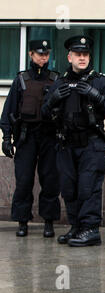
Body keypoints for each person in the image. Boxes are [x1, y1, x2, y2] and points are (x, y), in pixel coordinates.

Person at [41, 35, 105, 247]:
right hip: (66, 144)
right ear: (69, 57)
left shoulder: (100, 81)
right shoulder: (60, 82)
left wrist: (97, 95)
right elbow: (44, 114)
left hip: (91, 144)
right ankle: (77, 227)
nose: (82, 58)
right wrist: (53, 99)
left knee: (89, 188)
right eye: (78, 54)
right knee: (69, 188)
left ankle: (91, 229)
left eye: (85, 54)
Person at [1, 39, 60, 238]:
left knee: (50, 180)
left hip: (49, 136)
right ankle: (22, 221)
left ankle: (49, 221)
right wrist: (7, 138)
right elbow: (8, 110)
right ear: (30, 55)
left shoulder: (55, 79)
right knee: (24, 180)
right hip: (26, 136)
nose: (43, 57)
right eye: (39, 53)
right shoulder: (22, 79)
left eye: (46, 53)